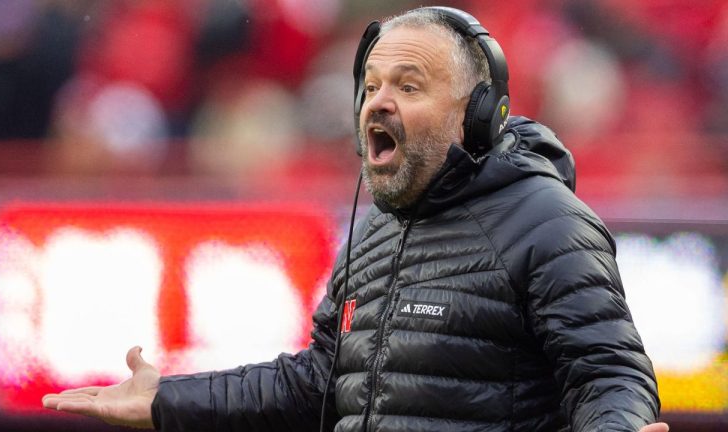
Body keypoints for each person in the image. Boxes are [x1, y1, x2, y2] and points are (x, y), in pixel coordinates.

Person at [43, 7, 670, 432]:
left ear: (478, 114)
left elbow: (609, 377)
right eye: (370, 86)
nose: (379, 101)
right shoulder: (374, 230)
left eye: (409, 84)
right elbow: (318, 379)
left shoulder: (548, 221)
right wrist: (168, 402)